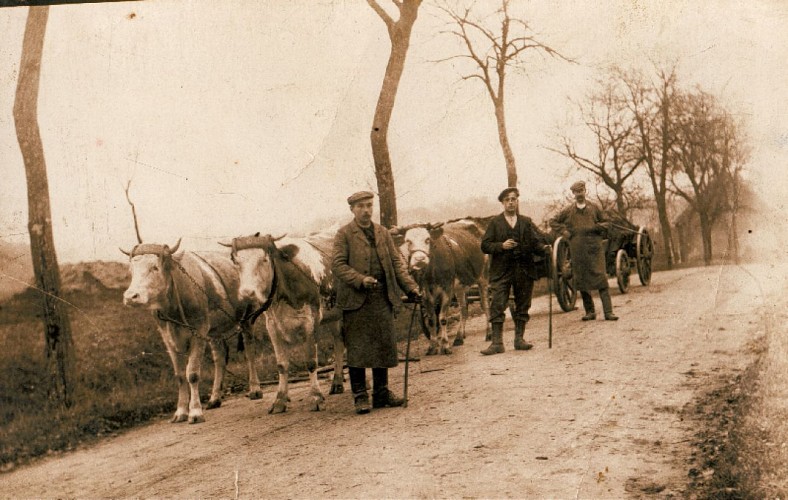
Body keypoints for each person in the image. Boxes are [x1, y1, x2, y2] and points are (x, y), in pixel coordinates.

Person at [332, 191, 421, 414]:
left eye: (369, 205)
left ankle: (381, 393)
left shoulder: (382, 233)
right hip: (356, 299)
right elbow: (339, 265)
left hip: (382, 297)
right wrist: (361, 280)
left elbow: (396, 263)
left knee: (383, 344)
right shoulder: (344, 234)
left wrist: (411, 287)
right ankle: (360, 396)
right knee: (358, 348)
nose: (366, 210)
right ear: (352, 209)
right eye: (361, 206)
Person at [480, 187, 550, 355]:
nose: (511, 202)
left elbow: (535, 243)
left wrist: (544, 248)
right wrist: (501, 246)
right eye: (507, 200)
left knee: (523, 304)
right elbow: (485, 245)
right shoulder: (495, 223)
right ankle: (497, 343)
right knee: (497, 303)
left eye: (513, 199)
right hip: (501, 271)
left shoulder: (526, 222)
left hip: (523, 269)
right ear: (503, 203)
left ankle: (519, 340)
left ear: (517, 201)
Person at [549, 181, 619, 321]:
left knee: (601, 277)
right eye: (576, 191)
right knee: (581, 279)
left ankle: (608, 312)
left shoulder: (594, 207)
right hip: (577, 249)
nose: (579, 194)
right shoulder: (568, 210)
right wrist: (564, 232)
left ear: (585, 191)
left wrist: (597, 227)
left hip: (595, 248)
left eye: (581, 191)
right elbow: (553, 221)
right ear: (573, 194)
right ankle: (590, 312)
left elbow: (607, 222)